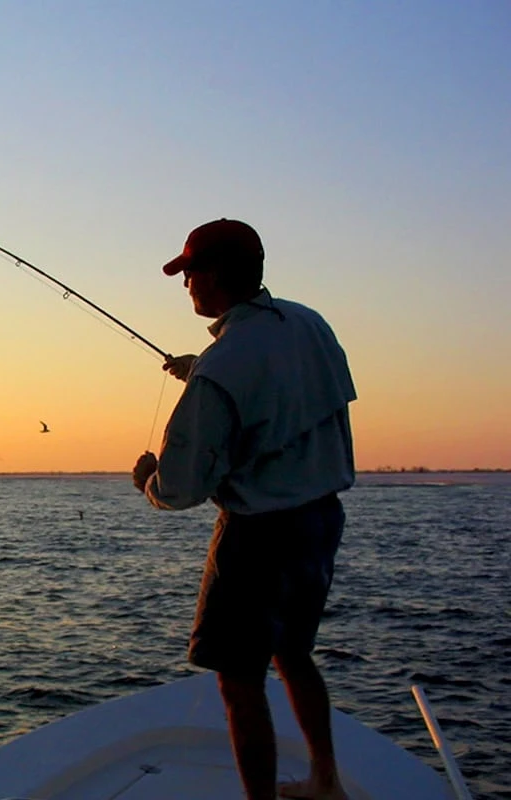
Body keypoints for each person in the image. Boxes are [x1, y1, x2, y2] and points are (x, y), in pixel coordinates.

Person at [131, 218, 356, 800]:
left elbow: (181, 488)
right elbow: (278, 390)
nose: (186, 287)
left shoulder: (222, 368)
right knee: (295, 652)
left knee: (240, 680)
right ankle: (325, 780)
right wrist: (200, 368)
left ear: (214, 275)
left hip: (259, 536)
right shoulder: (308, 324)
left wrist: (148, 480)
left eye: (189, 274)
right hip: (320, 521)